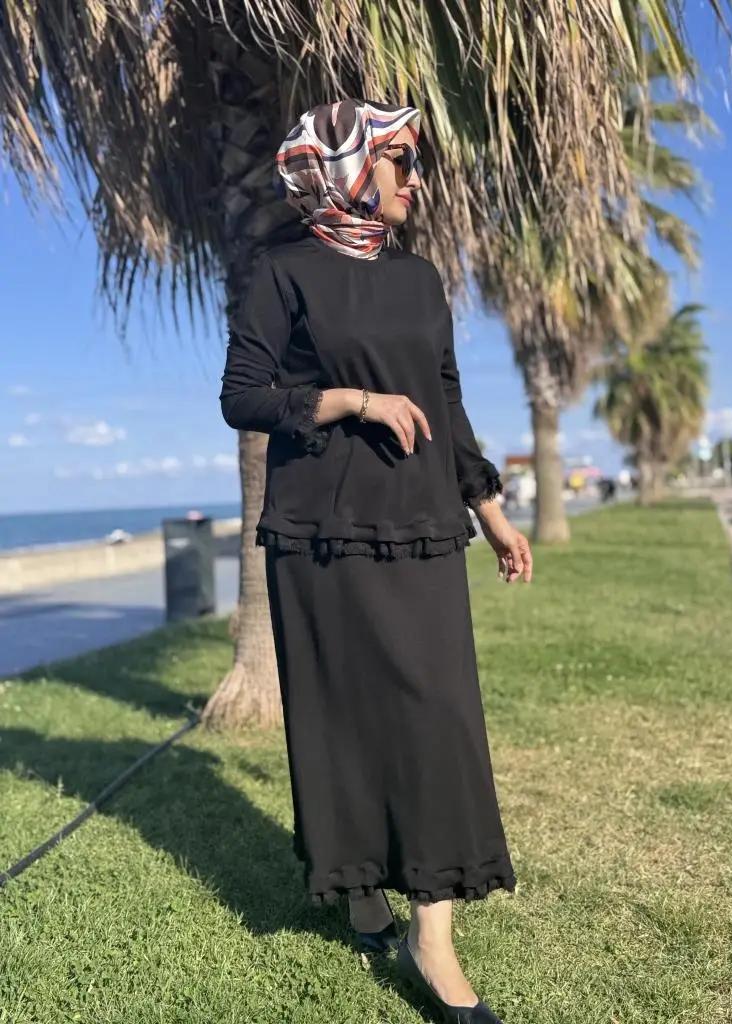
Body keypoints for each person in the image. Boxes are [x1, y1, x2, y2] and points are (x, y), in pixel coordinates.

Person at [220, 99, 533, 1024]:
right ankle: (360, 887)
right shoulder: (283, 272)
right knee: (341, 715)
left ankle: (431, 938)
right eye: (400, 163)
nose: (415, 180)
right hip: (320, 532)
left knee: (438, 716)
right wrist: (351, 400)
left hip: (423, 526)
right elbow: (244, 396)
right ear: (347, 171)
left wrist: (491, 511)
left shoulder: (421, 277)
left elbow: (447, 398)